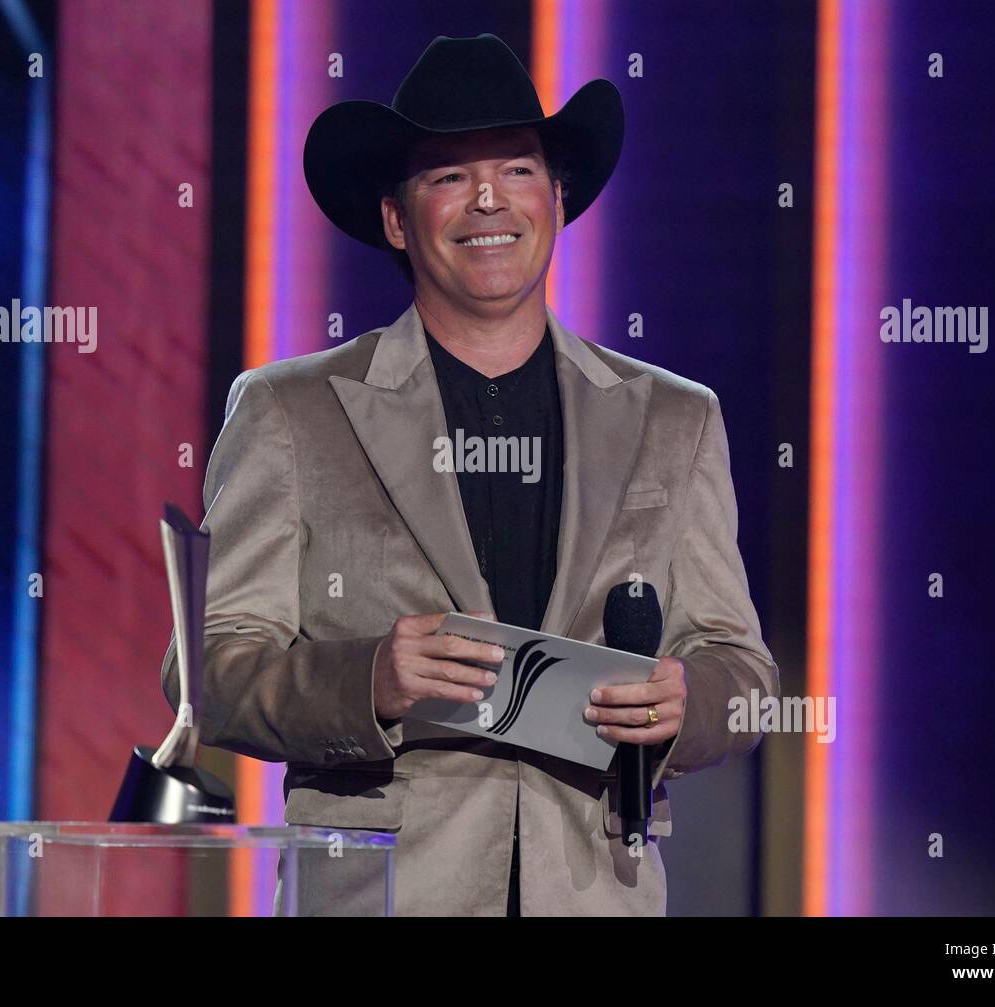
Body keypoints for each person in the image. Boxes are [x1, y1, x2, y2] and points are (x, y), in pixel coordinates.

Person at [161, 32, 778, 916]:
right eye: (448, 174)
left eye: (518, 169)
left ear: (557, 201)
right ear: (395, 218)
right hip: (383, 895)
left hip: (600, 893)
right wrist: (365, 678)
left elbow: (743, 672)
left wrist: (689, 703)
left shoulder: (673, 418)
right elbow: (204, 666)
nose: (489, 198)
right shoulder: (293, 410)